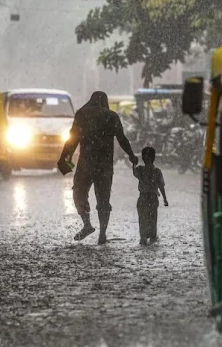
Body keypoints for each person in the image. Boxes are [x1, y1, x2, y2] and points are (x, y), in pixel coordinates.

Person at [58, 91, 138, 244]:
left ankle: (87, 224)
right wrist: (131, 155)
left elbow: (72, 139)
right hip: (105, 165)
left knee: (79, 193)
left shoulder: (82, 114)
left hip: (86, 163)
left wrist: (64, 157)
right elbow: (122, 138)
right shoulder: (111, 116)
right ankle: (102, 234)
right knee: (103, 199)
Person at [132, 147, 168, 245]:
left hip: (142, 197)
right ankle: (152, 236)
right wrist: (165, 199)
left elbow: (134, 172)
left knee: (142, 218)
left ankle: (143, 237)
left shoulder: (140, 169)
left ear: (143, 158)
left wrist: (134, 163)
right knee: (152, 218)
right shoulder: (157, 171)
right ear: (154, 157)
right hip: (153, 198)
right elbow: (161, 186)